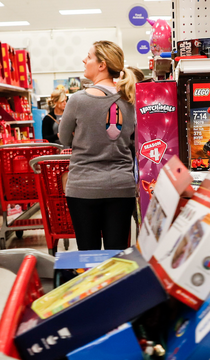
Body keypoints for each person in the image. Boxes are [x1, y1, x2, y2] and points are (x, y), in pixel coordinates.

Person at [59, 41, 138, 250]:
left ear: (102, 65)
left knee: (88, 255)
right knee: (117, 255)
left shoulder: (77, 100)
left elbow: (64, 139)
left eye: (89, 57)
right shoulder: (130, 100)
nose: (84, 60)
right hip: (122, 187)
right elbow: (133, 141)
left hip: (83, 187)